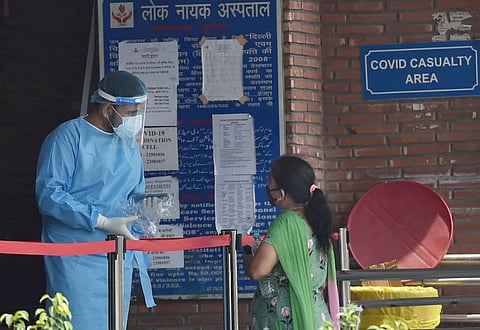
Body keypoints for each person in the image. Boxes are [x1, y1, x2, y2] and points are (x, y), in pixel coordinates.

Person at [35, 70, 155, 329]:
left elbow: (133, 195)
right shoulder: (68, 138)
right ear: (108, 109)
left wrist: (147, 209)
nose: (136, 120)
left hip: (117, 258)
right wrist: (100, 220)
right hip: (76, 259)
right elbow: (49, 195)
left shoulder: (128, 146)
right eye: (131, 113)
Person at [243, 155, 339, 329]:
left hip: (287, 320)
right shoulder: (316, 220)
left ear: (281, 194)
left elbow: (258, 270)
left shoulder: (286, 222)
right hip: (318, 317)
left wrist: (248, 256)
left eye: (270, 182)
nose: (268, 187)